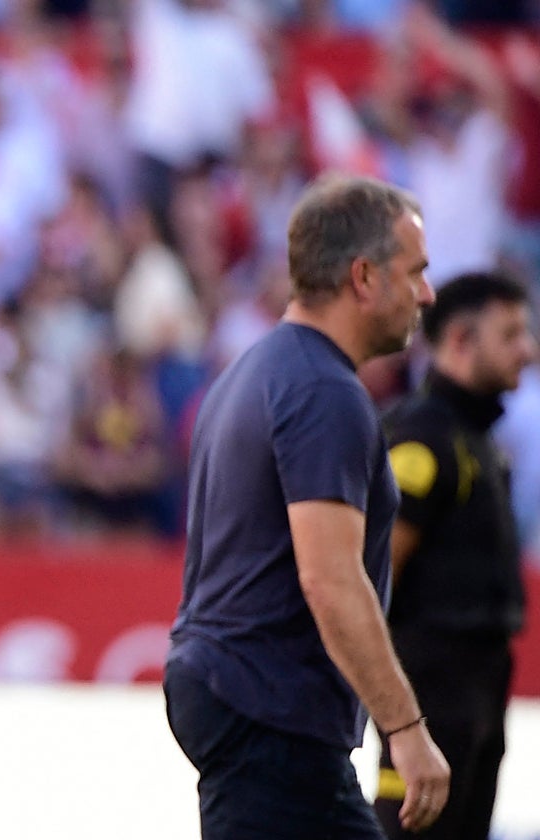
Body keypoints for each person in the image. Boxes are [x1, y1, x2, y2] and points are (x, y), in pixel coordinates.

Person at [163, 173, 451, 839]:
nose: (426, 294)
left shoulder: (252, 370)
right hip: (269, 706)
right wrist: (405, 728)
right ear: (363, 277)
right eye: (415, 272)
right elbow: (329, 578)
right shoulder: (324, 391)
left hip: (237, 693)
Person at [374, 271, 537, 839]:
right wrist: (398, 717)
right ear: (462, 341)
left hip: (477, 687)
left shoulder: (477, 439)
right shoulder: (423, 437)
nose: (528, 349)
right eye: (512, 334)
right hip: (429, 692)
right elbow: (375, 576)